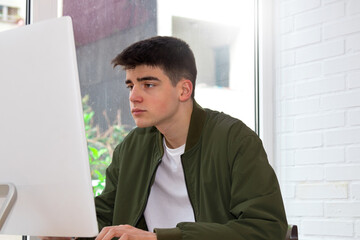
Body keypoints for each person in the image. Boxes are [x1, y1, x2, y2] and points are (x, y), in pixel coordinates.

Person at [42, 36, 288, 240]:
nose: (134, 96)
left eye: (148, 85)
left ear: (184, 90)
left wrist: (162, 238)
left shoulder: (234, 140)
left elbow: (266, 229)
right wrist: (69, 228)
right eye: (130, 86)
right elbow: (106, 215)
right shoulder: (131, 148)